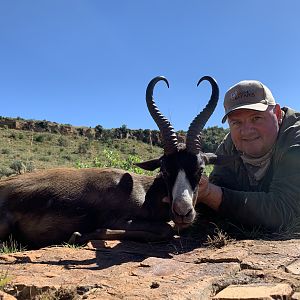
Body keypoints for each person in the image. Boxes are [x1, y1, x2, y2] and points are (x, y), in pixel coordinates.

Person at [197, 79, 300, 232]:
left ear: (277, 114)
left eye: (256, 118)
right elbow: (217, 189)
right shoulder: (229, 146)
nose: (246, 131)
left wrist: (208, 193)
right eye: (236, 122)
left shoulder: (295, 140)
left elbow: (285, 211)